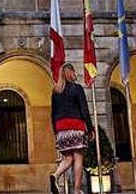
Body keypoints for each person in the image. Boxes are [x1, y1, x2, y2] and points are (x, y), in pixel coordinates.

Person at [49, 63, 93, 194]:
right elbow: (84, 110)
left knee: (68, 158)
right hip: (76, 124)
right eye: (74, 72)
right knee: (78, 158)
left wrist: (55, 131)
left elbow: (52, 113)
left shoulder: (55, 91)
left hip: (61, 126)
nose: (76, 75)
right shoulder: (77, 88)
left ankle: (55, 175)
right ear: (71, 73)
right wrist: (90, 129)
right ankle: (77, 190)